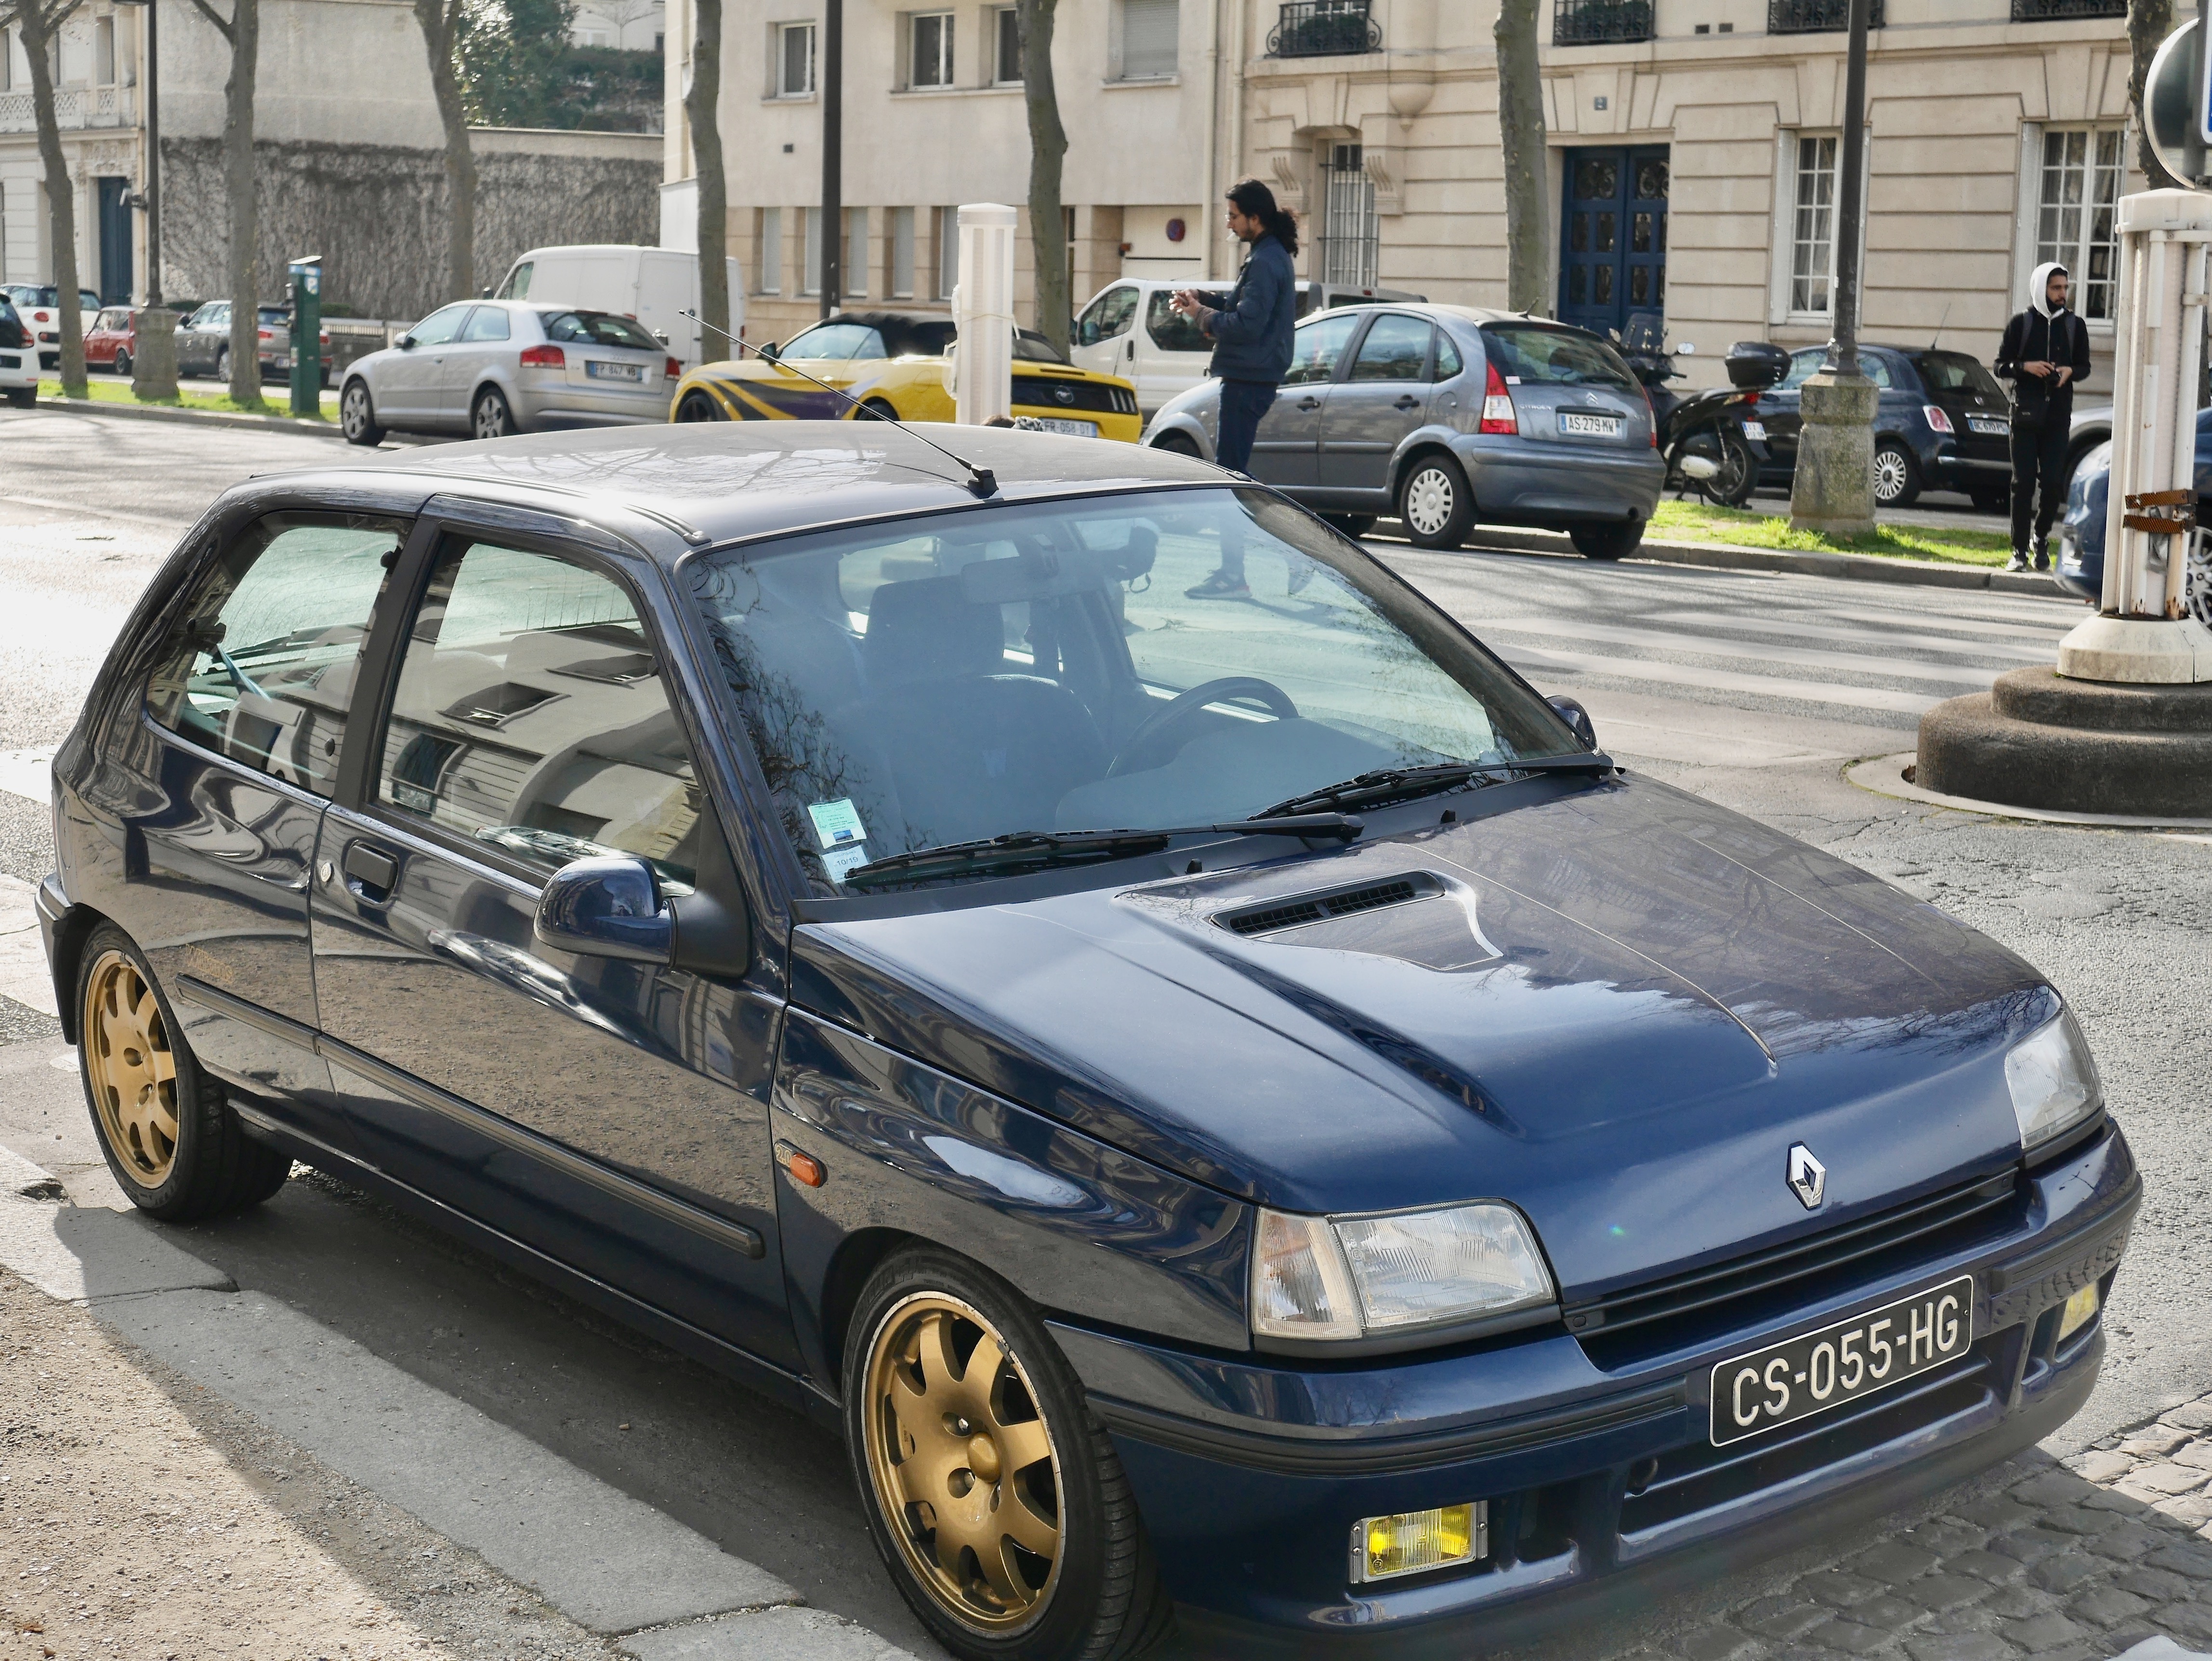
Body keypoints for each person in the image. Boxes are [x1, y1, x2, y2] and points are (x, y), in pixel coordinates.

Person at [1170, 179, 1300, 599]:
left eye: (1233, 216)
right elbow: (1243, 308)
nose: (1229, 223)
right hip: (1252, 375)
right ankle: (1239, 572)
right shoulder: (1267, 254)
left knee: (1230, 479)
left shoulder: (1265, 259)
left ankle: (1294, 549)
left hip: (1249, 378)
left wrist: (1200, 315)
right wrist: (1202, 299)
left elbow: (1246, 325)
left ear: (1254, 218)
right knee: (1232, 477)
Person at [1994, 261, 2091, 573]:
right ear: (2041, 289)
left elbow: (2085, 367)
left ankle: (2041, 537)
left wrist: (2069, 372)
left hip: (2057, 417)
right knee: (2022, 484)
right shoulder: (2020, 324)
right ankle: (2018, 550)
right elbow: (2000, 366)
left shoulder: (2075, 326)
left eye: (2065, 288)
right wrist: (2026, 367)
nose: (2062, 294)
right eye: (2056, 288)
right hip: (2024, 415)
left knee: (2051, 483)